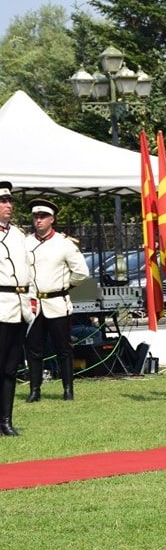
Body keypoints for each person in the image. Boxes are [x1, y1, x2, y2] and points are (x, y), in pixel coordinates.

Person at [24, 199, 90, 402]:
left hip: (57, 303)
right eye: (36, 216)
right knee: (34, 350)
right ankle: (35, 390)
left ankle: (68, 389)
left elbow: (81, 272)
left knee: (63, 349)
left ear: (52, 219)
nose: (38, 220)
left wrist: (64, 286)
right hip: (33, 304)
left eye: (43, 216)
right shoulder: (26, 242)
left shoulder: (64, 244)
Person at [0, 181, 31, 437]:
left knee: (11, 368)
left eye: (10, 201)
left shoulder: (19, 235)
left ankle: (6, 421)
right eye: (3, 201)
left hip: (18, 307)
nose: (8, 205)